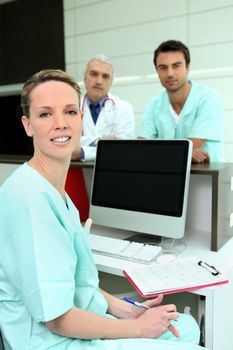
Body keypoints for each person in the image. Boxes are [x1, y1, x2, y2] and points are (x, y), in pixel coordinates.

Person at [0, 69, 202, 350]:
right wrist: (137, 328)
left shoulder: (55, 191)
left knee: (186, 327)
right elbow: (57, 318)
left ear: (81, 120)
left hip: (72, 318)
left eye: (70, 112)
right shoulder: (29, 199)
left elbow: (74, 285)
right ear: (28, 125)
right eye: (45, 114)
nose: (61, 123)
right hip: (49, 340)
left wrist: (127, 310)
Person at [138, 40, 224, 163]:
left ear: (187, 67)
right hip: (167, 176)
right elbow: (141, 148)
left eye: (176, 66)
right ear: (157, 71)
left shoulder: (209, 99)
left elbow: (191, 145)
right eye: (163, 68)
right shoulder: (154, 104)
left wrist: (156, 151)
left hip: (205, 178)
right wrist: (185, 153)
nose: (170, 73)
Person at [72, 55, 135, 161]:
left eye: (105, 76)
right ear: (85, 78)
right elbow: (66, 145)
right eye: (93, 74)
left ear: (111, 82)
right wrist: (101, 141)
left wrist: (82, 152)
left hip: (111, 173)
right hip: (78, 174)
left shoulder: (124, 108)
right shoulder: (71, 108)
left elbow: (123, 149)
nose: (99, 81)